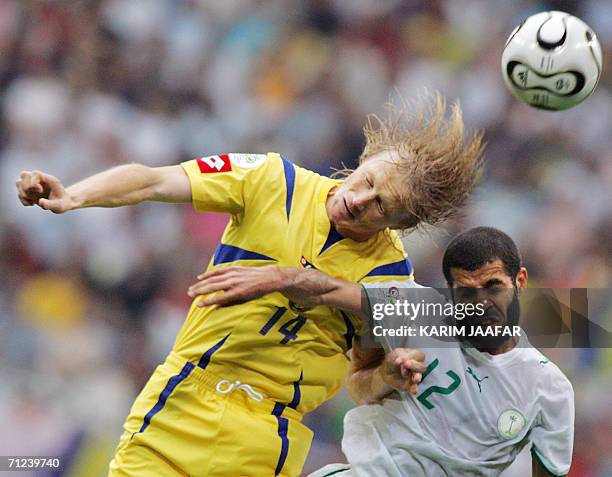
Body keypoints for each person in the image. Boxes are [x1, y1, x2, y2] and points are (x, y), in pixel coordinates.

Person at [16, 93, 483, 477]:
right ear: (364, 158)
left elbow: (362, 385)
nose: (358, 200)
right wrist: (75, 195)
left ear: (405, 222)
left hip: (268, 437)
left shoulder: (390, 280)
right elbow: (153, 181)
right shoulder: (271, 180)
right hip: (183, 401)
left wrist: (387, 378)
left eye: (382, 205)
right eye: (366, 181)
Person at [193, 227, 575, 477]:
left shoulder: (548, 387)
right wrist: (385, 378)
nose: (481, 302)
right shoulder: (417, 311)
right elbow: (330, 294)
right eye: (465, 291)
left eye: (494, 286)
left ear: (520, 281)